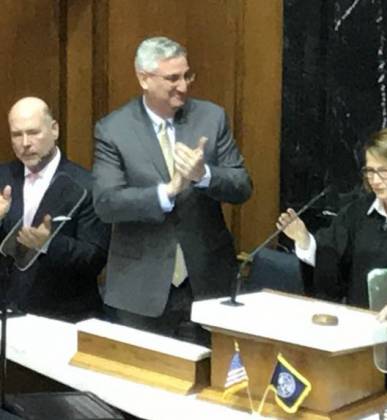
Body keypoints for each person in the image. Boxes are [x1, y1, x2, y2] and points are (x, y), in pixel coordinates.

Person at [276, 127, 387, 405]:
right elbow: (332, 268)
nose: (375, 180)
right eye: (370, 171)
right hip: (363, 342)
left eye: (384, 171)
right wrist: (303, 239)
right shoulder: (358, 213)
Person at [92, 36, 252, 345]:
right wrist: (166, 191)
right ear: (144, 78)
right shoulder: (114, 130)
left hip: (205, 284)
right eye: (172, 78)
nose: (183, 86)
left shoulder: (211, 117)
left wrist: (203, 174)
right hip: (141, 291)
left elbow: (242, 185)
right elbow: (106, 202)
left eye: (186, 75)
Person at [0, 97, 109, 322]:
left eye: (33, 133)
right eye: (16, 135)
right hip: (7, 317)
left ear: (55, 130)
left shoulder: (87, 186)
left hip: (63, 316)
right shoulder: (3, 178)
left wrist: (47, 244)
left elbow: (94, 258)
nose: (25, 143)